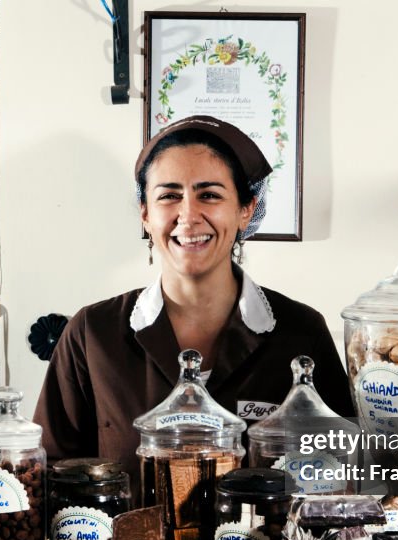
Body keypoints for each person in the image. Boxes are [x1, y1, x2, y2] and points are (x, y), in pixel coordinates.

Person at [34, 115, 353, 491]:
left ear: (245, 209)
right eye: (169, 195)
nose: (188, 215)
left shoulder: (300, 332)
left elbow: (342, 468)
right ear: (145, 214)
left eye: (210, 195)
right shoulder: (93, 334)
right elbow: (51, 471)